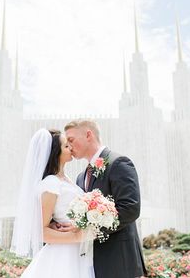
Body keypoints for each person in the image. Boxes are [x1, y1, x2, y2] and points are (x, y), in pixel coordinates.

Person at [64, 119, 147, 278]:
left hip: (120, 262)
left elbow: (130, 208)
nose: (69, 146)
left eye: (71, 140)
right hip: (92, 264)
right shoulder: (81, 178)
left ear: (88, 135)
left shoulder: (119, 163)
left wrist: (90, 232)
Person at [11, 128, 94, 278]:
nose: (71, 148)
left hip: (79, 252)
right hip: (64, 254)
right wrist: (77, 237)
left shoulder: (67, 180)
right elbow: (40, 232)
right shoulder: (50, 184)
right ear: (55, 153)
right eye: (66, 146)